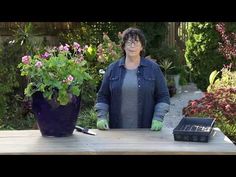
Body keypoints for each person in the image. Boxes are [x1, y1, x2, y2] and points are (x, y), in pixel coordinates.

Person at [95, 27, 170, 131]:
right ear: (123, 46)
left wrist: (158, 117)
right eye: (129, 42)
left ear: (142, 46)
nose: (132, 46)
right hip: (117, 132)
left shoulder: (153, 68)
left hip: (146, 131)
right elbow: (103, 96)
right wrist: (101, 117)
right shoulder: (113, 69)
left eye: (136, 42)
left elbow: (163, 96)